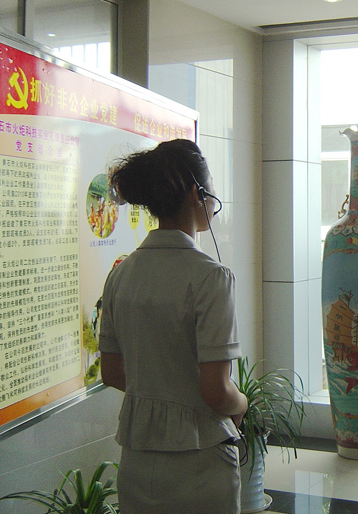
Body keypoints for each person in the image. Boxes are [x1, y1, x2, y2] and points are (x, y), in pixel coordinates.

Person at [99, 139, 248, 514]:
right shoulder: (211, 278)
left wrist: (160, 391)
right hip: (200, 462)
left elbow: (111, 372)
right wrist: (242, 403)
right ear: (198, 195)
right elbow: (216, 392)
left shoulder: (120, 275)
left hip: (136, 461)